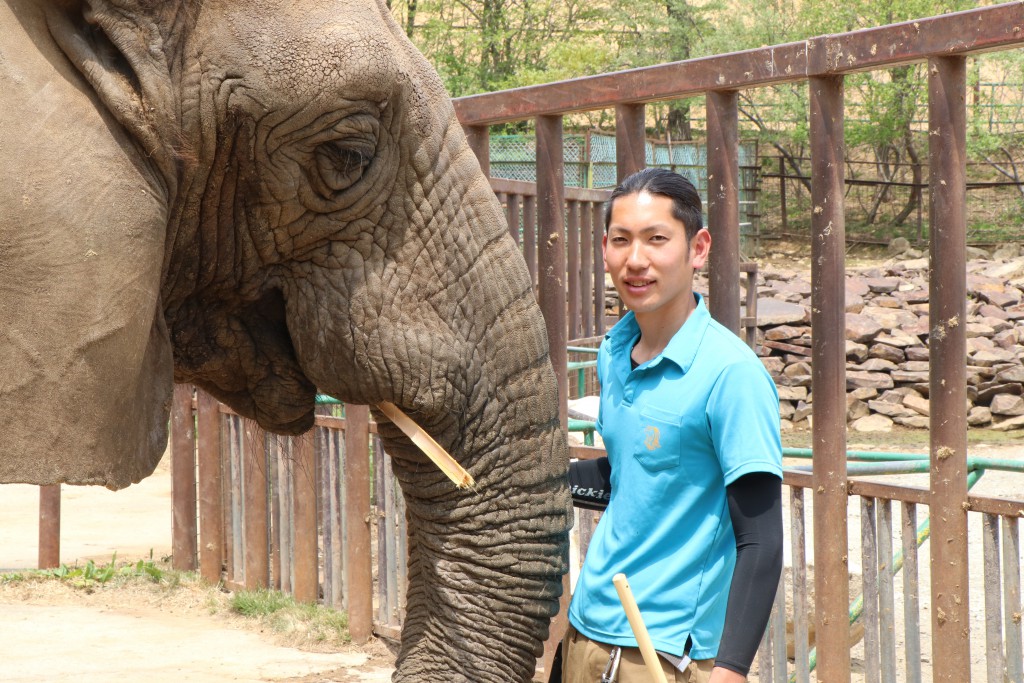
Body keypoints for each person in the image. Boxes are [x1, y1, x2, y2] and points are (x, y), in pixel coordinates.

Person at [561, 168, 784, 683]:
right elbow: (632, 476)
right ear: (605, 248)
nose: (635, 260)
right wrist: (537, 476)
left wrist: (731, 671)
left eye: (657, 239)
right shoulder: (615, 352)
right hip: (587, 629)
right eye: (621, 241)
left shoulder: (731, 374)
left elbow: (761, 538)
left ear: (697, 248)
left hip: (662, 655)